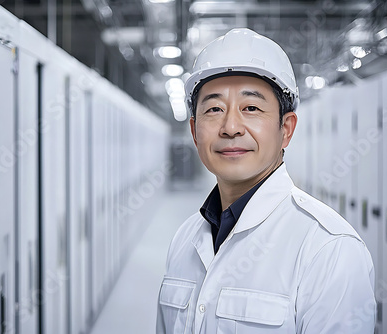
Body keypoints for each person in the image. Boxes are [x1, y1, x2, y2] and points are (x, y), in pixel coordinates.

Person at [156, 28, 375, 334]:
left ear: (286, 129)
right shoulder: (185, 239)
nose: (231, 127)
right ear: (194, 131)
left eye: (251, 108)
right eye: (214, 109)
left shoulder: (328, 249)